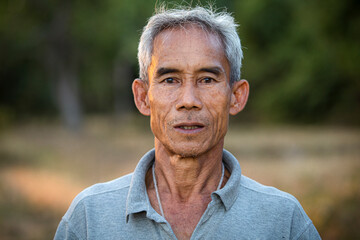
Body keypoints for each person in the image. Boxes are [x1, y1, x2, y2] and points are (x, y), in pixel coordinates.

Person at [55, 6, 321, 240]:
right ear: (143, 97)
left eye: (207, 79)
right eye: (170, 80)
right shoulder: (89, 217)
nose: (189, 100)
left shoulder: (283, 220)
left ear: (236, 97)